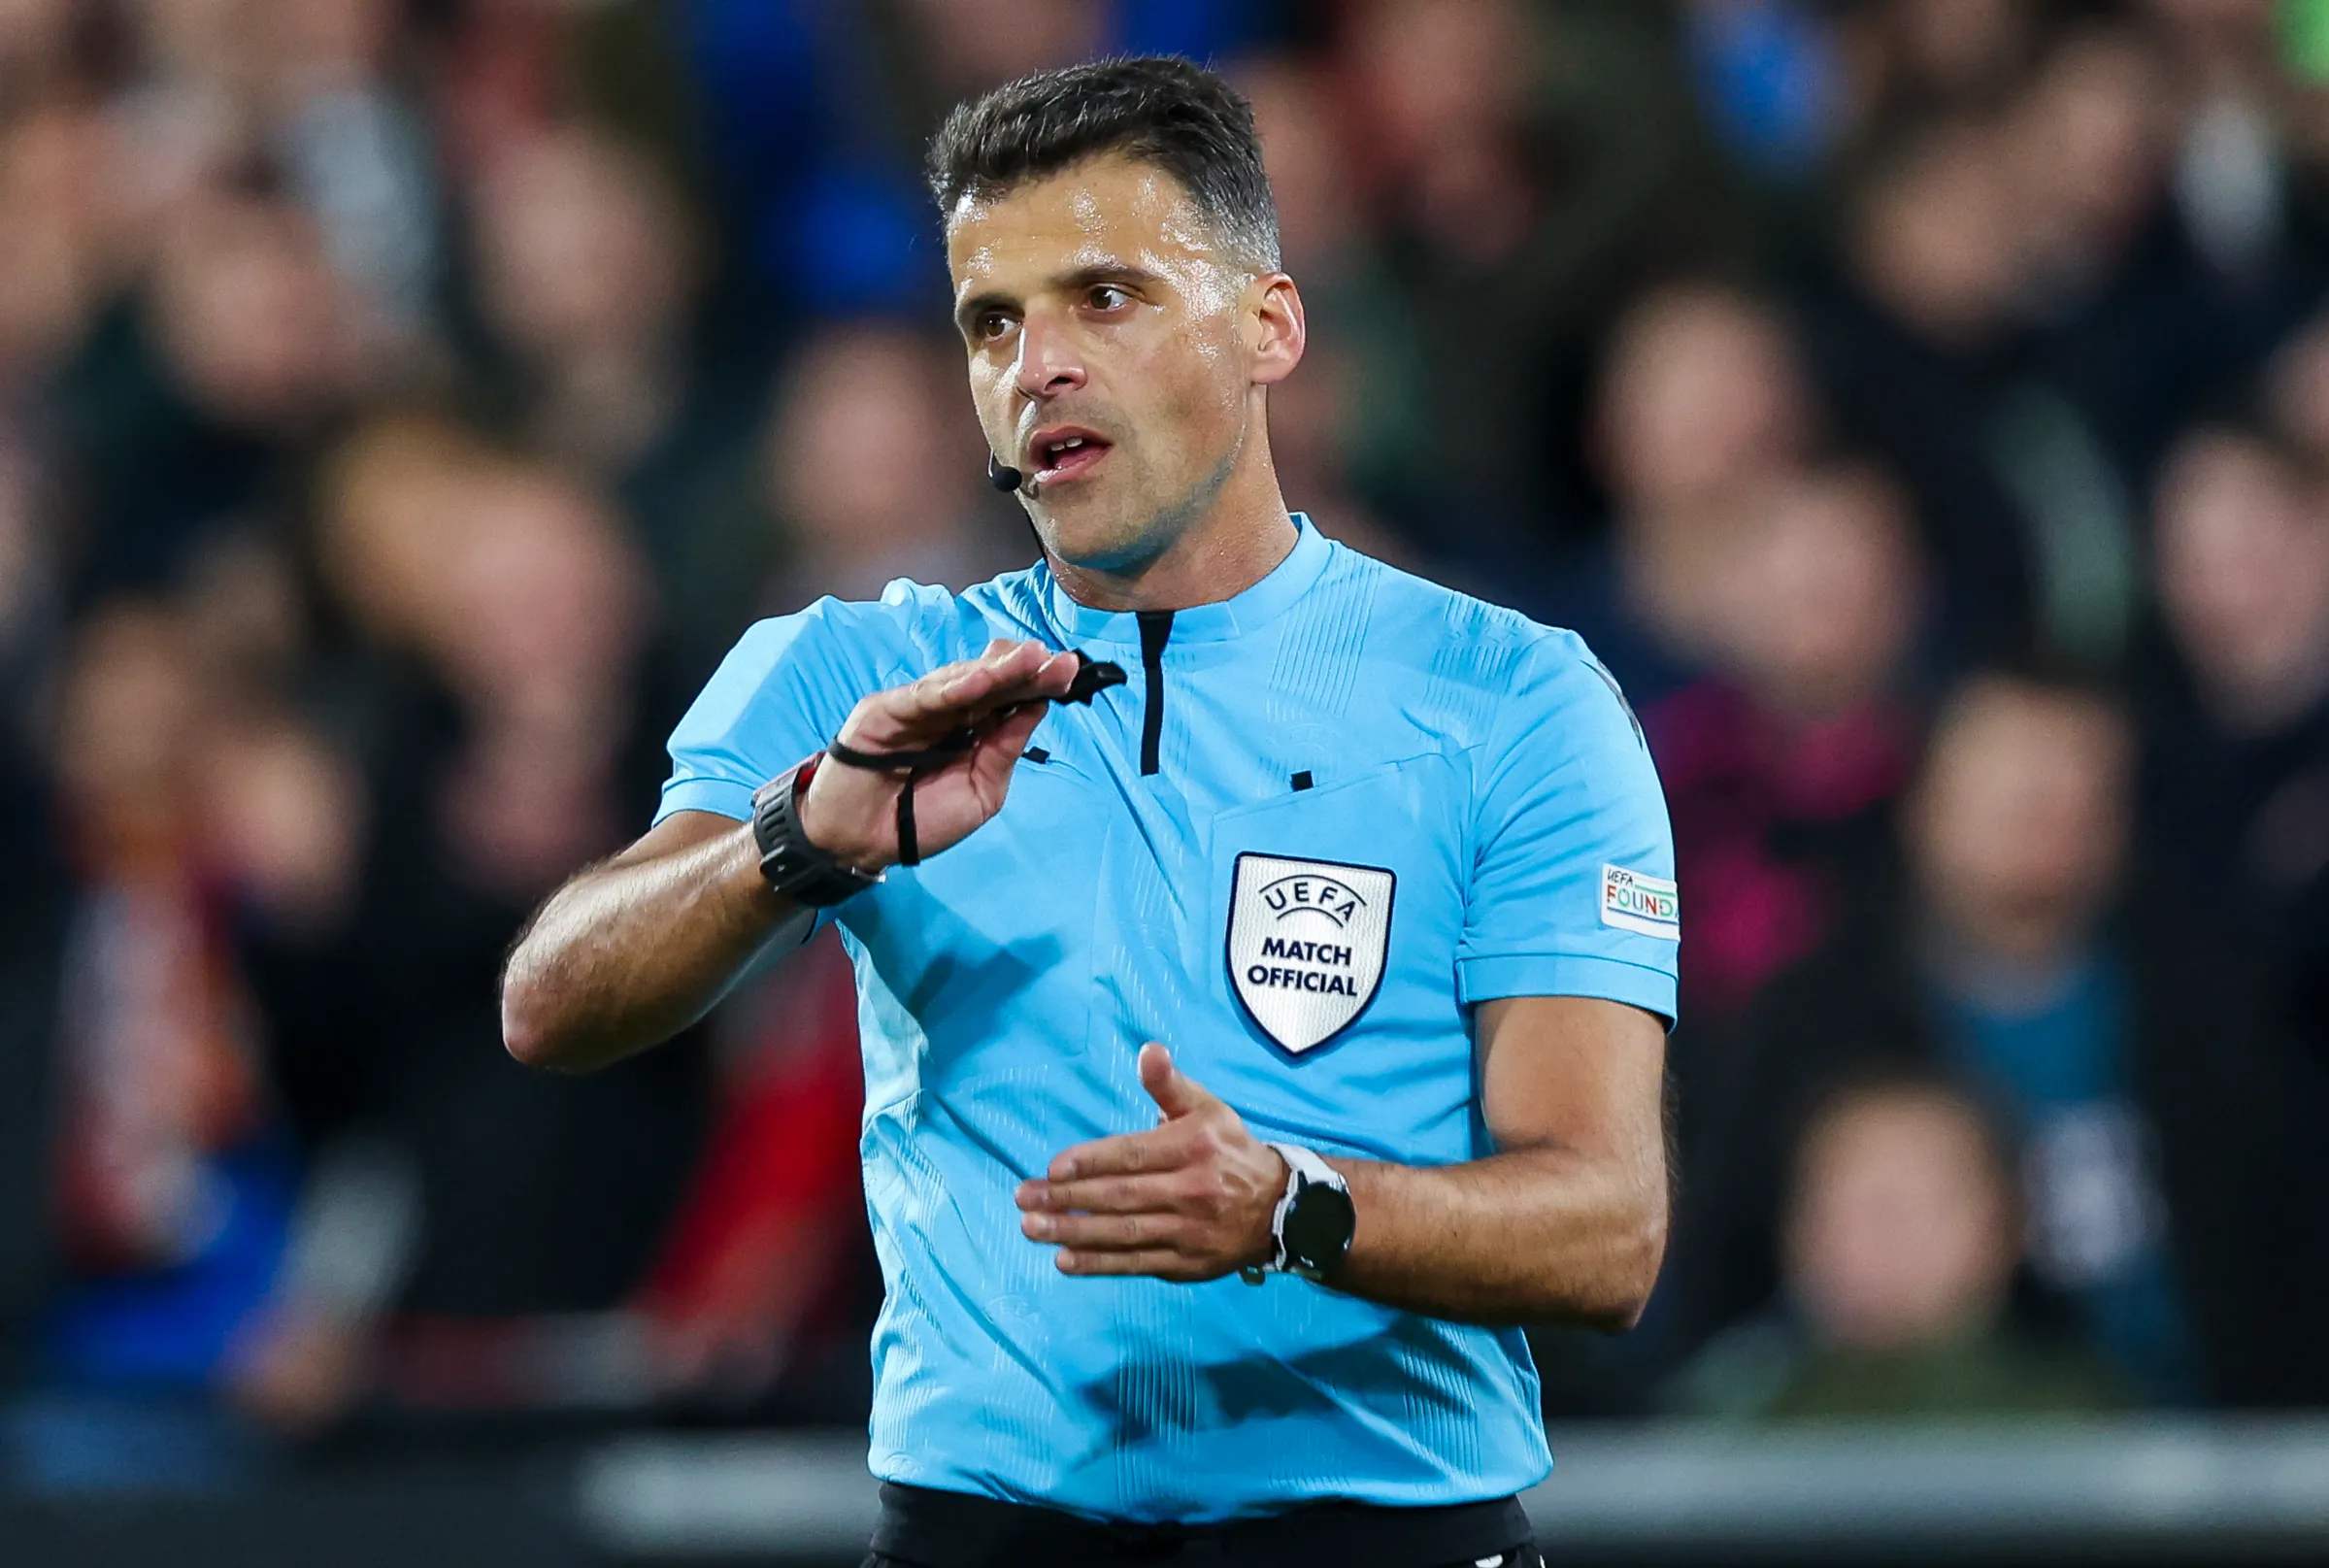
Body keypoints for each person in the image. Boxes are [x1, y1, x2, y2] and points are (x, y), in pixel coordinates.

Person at [501, 56, 1677, 1568]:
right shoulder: (858, 673)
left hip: (1382, 1533)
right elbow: (552, 1000)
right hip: (983, 1535)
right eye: (990, 321)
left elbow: (1605, 1230)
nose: (1035, 364)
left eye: (1103, 297)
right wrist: (793, 843)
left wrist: (1297, 1206)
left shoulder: (1509, 699)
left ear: (1268, 326)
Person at [1670, 671, 2329, 1407]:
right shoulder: (1812, 1022)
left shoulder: (2217, 1006)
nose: (2042, 811)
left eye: (2076, 787)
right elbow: (1721, 1287)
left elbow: (2292, 1261)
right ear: (1922, 803)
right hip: (1904, 1446)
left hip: (2222, 1449)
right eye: (2009, 783)